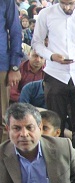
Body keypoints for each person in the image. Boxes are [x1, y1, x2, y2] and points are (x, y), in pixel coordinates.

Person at [31, 0, 75, 135]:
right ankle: (55, 148)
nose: (67, 7)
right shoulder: (46, 14)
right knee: (54, 124)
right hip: (55, 74)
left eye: (70, 3)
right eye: (63, 3)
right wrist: (51, 56)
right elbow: (36, 43)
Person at [1, 0, 23, 144]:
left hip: (1, 66)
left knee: (1, 119)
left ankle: (2, 155)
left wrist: (14, 66)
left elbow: (15, 32)